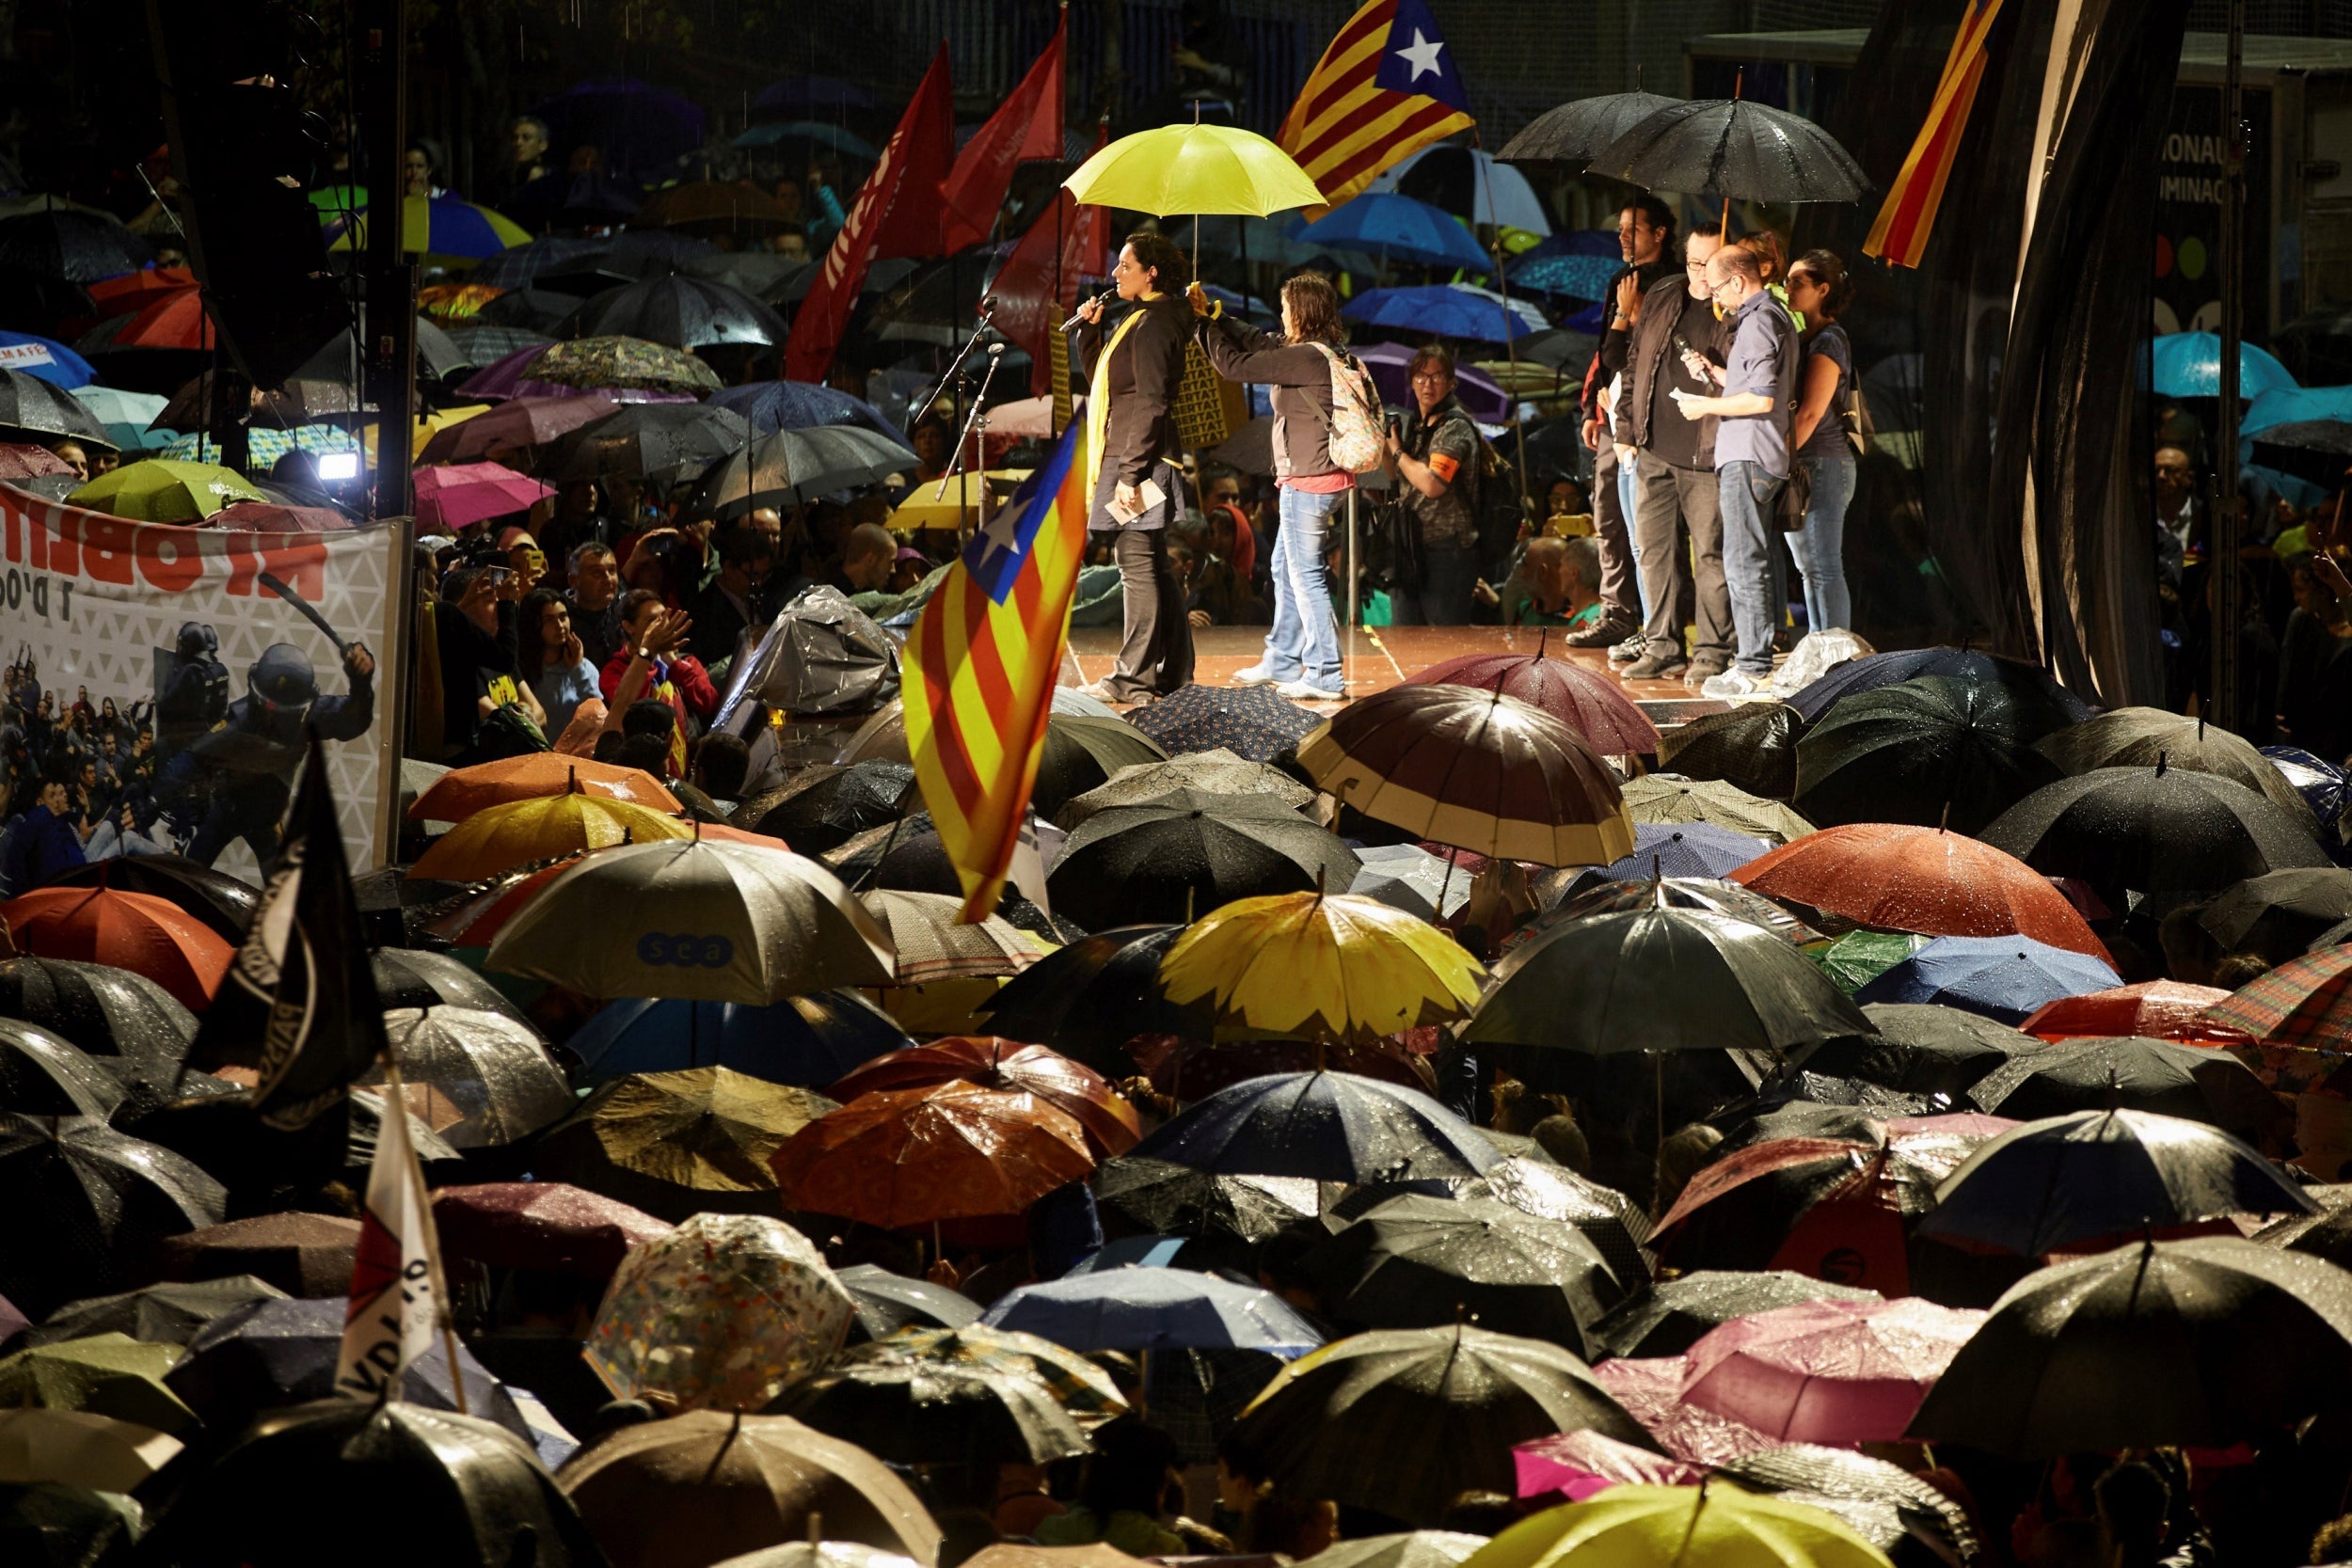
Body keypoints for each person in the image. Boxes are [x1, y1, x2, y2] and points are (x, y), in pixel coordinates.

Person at [1193, 270, 1358, 701]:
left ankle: (1325, 672)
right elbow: (1256, 340)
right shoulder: (1312, 352)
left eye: (1285, 308)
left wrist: (1200, 328)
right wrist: (1213, 315)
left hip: (1310, 481)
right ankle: (1283, 658)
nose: (1281, 315)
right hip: (1308, 478)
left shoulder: (1306, 358)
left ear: (1300, 312)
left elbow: (1234, 366)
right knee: (1287, 569)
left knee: (1306, 576)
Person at [1069, 232, 1196, 705]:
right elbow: (1112, 386)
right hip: (1132, 455)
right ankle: (1173, 672)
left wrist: (1130, 474)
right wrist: (1089, 332)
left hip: (1138, 460)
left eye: (1125, 265)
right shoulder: (1138, 319)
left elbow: (1151, 402)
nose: (1115, 273)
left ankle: (1132, 678)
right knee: (1153, 566)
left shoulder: (1156, 323)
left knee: (1135, 566)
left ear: (1151, 274)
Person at [1673, 244, 1798, 699]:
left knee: (1744, 561)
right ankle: (1753, 659)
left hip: (1749, 455)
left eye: (1719, 286)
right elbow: (1750, 384)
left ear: (1739, 281)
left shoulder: (1761, 319)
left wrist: (1704, 404)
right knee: (1749, 559)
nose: (1715, 297)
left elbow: (1762, 399)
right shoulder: (1764, 318)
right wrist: (1713, 373)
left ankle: (1751, 664)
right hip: (1750, 453)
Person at [1610, 228, 1731, 683]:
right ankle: (1662, 645)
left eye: (1709, 264)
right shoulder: (1664, 293)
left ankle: (1711, 651)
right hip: (1654, 447)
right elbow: (1635, 360)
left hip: (1706, 455)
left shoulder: (1734, 310)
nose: (1699, 274)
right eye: (1693, 263)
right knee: (1654, 553)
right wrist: (1625, 427)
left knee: (1710, 556)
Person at [1581, 197, 1678, 652]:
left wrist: (1627, 317)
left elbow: (1633, 354)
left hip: (1646, 421)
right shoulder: (1620, 279)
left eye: (1633, 228)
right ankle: (1617, 611)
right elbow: (1605, 353)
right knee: (1608, 514)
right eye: (1620, 228)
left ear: (1660, 233)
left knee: (1647, 526)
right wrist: (1590, 408)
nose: (1622, 236)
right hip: (1610, 413)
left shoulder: (1672, 283)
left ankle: (1656, 623)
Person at [1783, 249, 1859, 634]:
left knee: (1824, 566)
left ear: (1823, 289)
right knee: (1808, 567)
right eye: (1788, 279)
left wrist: (1777, 455)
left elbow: (1811, 412)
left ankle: (1836, 659)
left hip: (1824, 463)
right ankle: (1820, 648)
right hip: (1805, 463)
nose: (1788, 286)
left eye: (1798, 281)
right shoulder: (1803, 337)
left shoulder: (1830, 340)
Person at [1384, 344, 1484, 628]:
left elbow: (1432, 484)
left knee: (1444, 643)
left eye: (1437, 376)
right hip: (1410, 547)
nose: (1428, 384)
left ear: (1451, 383)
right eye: (1421, 376)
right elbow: (1396, 477)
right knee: (1403, 639)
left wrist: (1397, 452)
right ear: (1411, 381)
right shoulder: (1415, 425)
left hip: (1448, 550)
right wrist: (1385, 446)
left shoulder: (1455, 427)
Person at [598, 590, 719, 779]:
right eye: (652, 621)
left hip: (684, 773)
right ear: (629, 627)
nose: (662, 626)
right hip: (639, 772)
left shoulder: (685, 661)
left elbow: (707, 702)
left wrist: (674, 664)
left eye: (664, 618)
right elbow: (631, 709)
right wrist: (649, 655)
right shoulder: (614, 671)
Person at [686, 523, 776, 670]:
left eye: (764, 575)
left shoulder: (766, 600)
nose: (758, 583)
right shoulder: (703, 610)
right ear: (728, 567)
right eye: (752, 575)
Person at [520, 589, 601, 736]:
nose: (559, 626)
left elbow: (598, 713)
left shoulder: (585, 668)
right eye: (549, 620)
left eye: (563, 617)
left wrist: (578, 670)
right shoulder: (520, 670)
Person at [0, 776, 84, 895]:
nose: (58, 800)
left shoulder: (61, 823)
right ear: (40, 803)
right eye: (52, 795)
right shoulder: (40, 816)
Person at [565, 543, 628, 671]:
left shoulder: (627, 609)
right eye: (597, 573)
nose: (608, 579)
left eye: (612, 570)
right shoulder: (560, 616)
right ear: (573, 581)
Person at [2155, 445, 2201, 583]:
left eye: (2170, 470)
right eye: (2156, 470)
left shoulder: (2205, 517)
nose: (2161, 476)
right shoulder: (2140, 519)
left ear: (2189, 478)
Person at [507, 116, 551, 197]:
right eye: (515, 137)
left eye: (526, 138)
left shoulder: (550, 179)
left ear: (542, 145)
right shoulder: (504, 177)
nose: (518, 143)